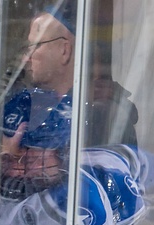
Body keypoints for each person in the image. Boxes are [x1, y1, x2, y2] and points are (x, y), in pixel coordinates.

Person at [0, 88, 150, 225]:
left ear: (63, 152)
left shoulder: (85, 208)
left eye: (28, 157)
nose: (12, 170)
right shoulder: (105, 164)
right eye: (5, 159)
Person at [21, 3, 138, 148]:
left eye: (36, 45)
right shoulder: (29, 107)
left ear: (65, 51)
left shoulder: (100, 118)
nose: (25, 59)